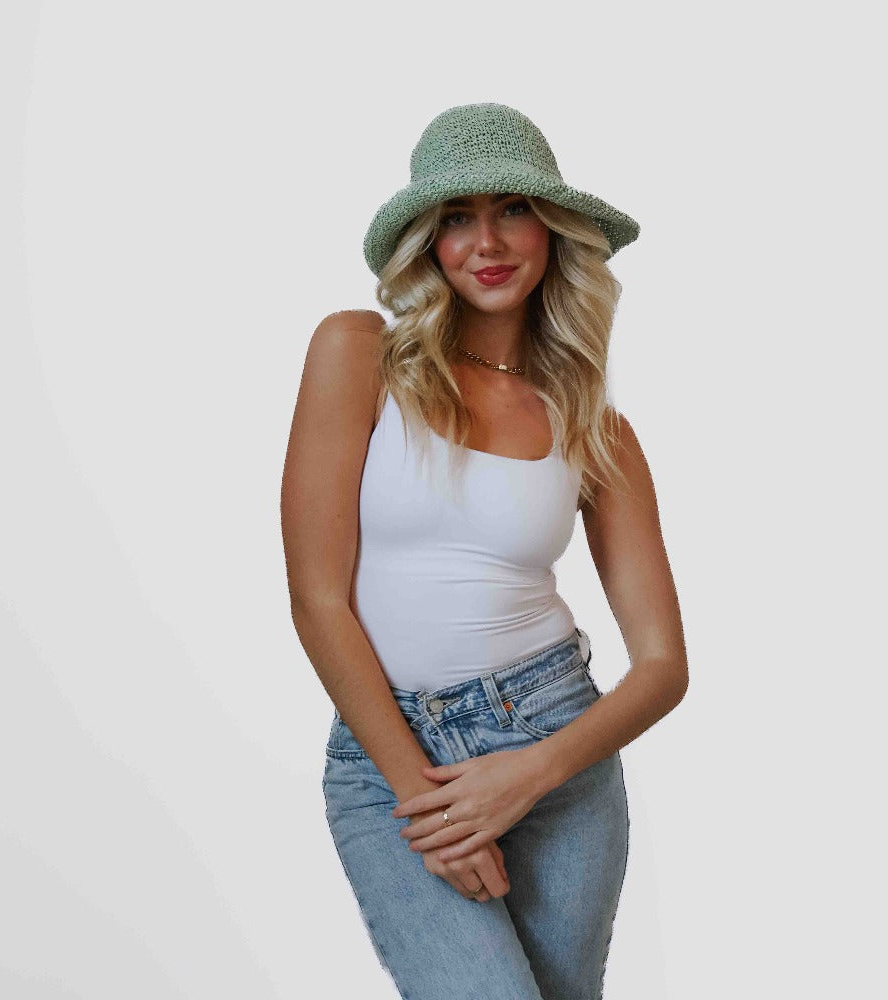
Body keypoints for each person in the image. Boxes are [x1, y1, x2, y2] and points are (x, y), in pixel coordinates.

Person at [281, 102, 689, 1000]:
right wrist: (430, 804)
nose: (487, 241)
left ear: (552, 229)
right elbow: (317, 598)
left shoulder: (593, 425)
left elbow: (664, 667)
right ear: (426, 242)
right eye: (457, 217)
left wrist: (530, 774)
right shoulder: (357, 353)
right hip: (394, 755)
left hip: (556, 752)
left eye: (513, 209)